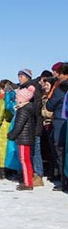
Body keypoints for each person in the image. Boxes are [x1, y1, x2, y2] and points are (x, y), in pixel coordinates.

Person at [7, 86, 36, 190]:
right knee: (25, 159)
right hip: (25, 137)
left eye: (17, 97)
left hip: (24, 138)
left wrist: (11, 135)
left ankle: (28, 183)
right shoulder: (27, 108)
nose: (16, 99)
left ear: (23, 98)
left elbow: (19, 125)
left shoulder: (23, 110)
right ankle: (27, 180)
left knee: (24, 160)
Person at [45, 63, 68, 191]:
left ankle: (64, 181)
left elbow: (50, 105)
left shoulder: (61, 87)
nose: (54, 75)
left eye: (56, 72)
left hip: (61, 123)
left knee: (61, 153)